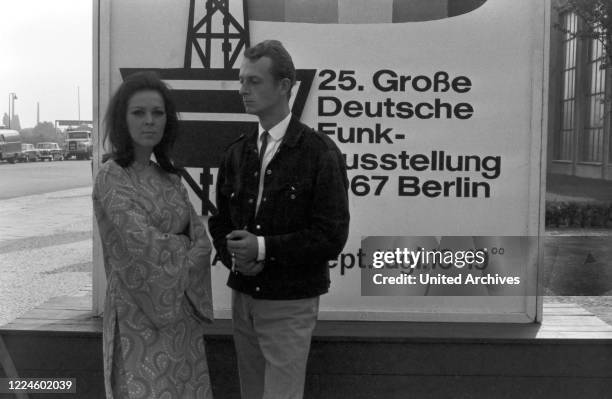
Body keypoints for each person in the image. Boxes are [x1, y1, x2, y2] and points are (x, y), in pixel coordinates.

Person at [208, 40, 350, 399]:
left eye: (254, 81)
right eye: (242, 80)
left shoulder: (320, 152)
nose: (243, 89)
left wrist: (262, 249)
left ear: (284, 85)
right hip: (243, 300)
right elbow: (219, 221)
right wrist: (236, 257)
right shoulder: (237, 152)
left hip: (290, 302)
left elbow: (331, 235)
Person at [93, 71, 213, 399]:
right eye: (139, 112)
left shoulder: (169, 178)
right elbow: (140, 243)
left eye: (158, 113)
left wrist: (184, 246)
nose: (150, 121)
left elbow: (203, 243)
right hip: (136, 314)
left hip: (182, 318)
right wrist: (183, 244)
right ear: (122, 120)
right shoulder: (112, 177)